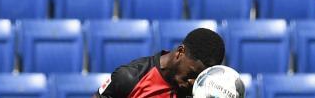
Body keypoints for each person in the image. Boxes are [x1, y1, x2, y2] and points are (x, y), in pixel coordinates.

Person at [95, 28, 226, 98]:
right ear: (180, 51)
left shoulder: (201, 91)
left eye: (200, 78)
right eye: (192, 74)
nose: (193, 82)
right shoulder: (130, 77)